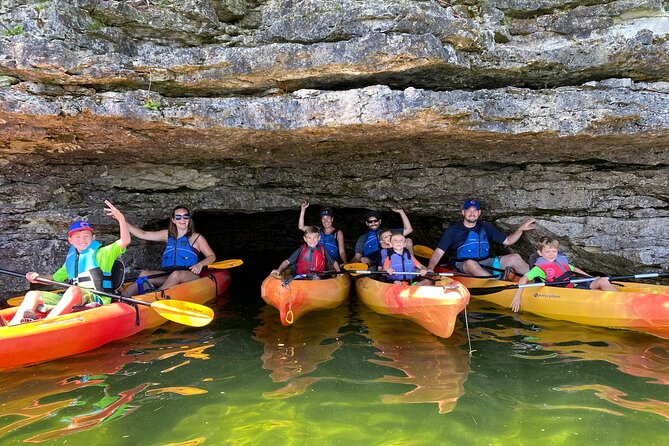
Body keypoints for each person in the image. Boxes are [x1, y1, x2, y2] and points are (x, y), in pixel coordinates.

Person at [9, 201, 130, 325]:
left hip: (98, 298)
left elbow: (125, 241)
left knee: (73, 290)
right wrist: (37, 278)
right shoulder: (72, 260)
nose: (82, 240)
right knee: (31, 295)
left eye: (86, 236)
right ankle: (12, 327)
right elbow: (54, 278)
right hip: (75, 297)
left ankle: (45, 324)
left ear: (93, 238)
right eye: (77, 237)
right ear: (70, 240)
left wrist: (121, 219)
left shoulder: (103, 253)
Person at [426, 199, 536, 276]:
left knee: (515, 257)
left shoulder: (485, 227)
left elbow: (507, 241)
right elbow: (438, 252)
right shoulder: (453, 230)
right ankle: (495, 284)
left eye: (475, 210)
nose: (472, 213)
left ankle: (537, 280)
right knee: (471, 263)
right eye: (469, 210)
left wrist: (520, 229)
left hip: (485, 262)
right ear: (463, 212)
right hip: (463, 265)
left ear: (479, 213)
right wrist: (430, 268)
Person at [123, 205, 216, 295]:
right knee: (144, 274)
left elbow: (212, 256)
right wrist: (121, 220)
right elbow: (143, 234)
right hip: (169, 275)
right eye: (178, 217)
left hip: (189, 275)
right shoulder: (166, 235)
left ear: (189, 219)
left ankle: (155, 295)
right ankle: (122, 297)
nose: (182, 220)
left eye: (185, 217)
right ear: (173, 220)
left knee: (176, 274)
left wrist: (200, 264)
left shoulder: (197, 238)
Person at [511, 237, 618, 312]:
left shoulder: (560, 261)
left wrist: (591, 278)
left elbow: (574, 269)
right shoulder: (539, 268)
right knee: (599, 292)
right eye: (548, 252)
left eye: (554, 251)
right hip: (566, 292)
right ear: (540, 253)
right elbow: (524, 278)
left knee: (603, 280)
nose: (551, 254)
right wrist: (517, 296)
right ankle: (620, 304)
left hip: (576, 284)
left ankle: (621, 300)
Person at [271, 226, 341, 278]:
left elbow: (334, 262)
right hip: (301, 277)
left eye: (315, 237)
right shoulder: (301, 249)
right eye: (309, 238)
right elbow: (287, 262)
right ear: (305, 239)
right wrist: (279, 270)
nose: (312, 240)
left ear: (319, 238)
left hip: (317, 279)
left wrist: (338, 272)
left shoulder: (322, 250)